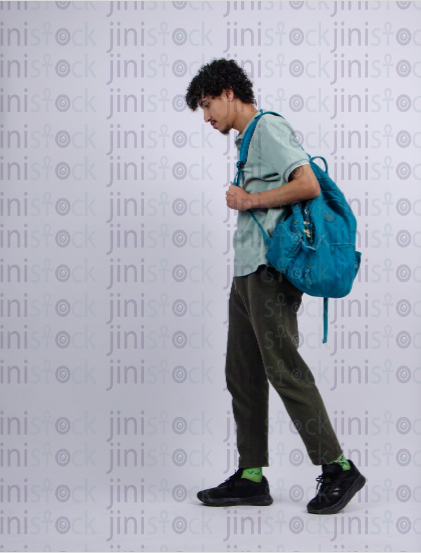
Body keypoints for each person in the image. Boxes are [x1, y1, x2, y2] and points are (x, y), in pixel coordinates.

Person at [184, 58, 366, 514]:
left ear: (229, 92)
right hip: (247, 273)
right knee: (242, 373)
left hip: (269, 274)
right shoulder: (247, 140)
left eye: (208, 106)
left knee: (283, 368)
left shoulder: (267, 128)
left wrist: (249, 199)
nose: (207, 118)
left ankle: (338, 468)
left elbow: (305, 184)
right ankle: (251, 477)